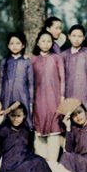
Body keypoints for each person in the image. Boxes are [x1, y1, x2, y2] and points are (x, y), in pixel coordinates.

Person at [0, 102, 52, 172]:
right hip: (10, 163)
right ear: (8, 116)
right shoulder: (5, 129)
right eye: (13, 116)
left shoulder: (26, 130)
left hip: (23, 159)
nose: (15, 119)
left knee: (39, 161)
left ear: (24, 116)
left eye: (19, 116)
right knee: (32, 166)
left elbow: (28, 149)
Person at [31, 31, 65, 162]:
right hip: (38, 100)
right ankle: (42, 163)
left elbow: (63, 78)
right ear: (38, 42)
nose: (46, 44)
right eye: (43, 41)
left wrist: (62, 97)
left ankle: (53, 162)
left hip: (54, 99)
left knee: (54, 130)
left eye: (49, 41)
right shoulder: (33, 59)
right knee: (39, 130)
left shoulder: (57, 58)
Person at [62, 24, 87, 122]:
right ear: (69, 37)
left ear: (83, 38)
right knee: (71, 119)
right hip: (69, 92)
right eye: (74, 36)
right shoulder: (63, 55)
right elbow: (61, 78)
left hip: (85, 92)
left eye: (80, 36)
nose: (76, 39)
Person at [0, 32, 34, 125]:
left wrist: (31, 102)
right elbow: (1, 82)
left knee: (23, 121)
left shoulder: (26, 62)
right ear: (8, 46)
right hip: (7, 97)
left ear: (23, 45)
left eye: (18, 43)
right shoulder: (4, 61)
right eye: (12, 43)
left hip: (23, 97)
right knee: (7, 121)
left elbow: (31, 84)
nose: (15, 46)